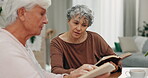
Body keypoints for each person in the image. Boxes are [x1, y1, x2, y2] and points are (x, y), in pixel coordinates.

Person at [0, 0, 110, 78]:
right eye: (41, 13)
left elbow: (42, 74)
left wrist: (69, 76)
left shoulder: (21, 45)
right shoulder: (6, 48)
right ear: (22, 13)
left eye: (84, 25)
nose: (46, 20)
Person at [50, 5, 121, 74]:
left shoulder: (95, 38)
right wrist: (77, 72)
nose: (79, 28)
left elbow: (115, 60)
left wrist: (114, 67)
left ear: (88, 26)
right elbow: (56, 71)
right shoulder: (56, 43)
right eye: (76, 23)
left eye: (84, 25)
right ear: (68, 21)